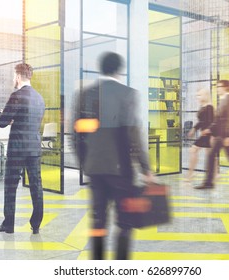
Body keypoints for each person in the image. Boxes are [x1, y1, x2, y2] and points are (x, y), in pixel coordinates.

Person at [74, 52, 154, 259]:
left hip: (95, 170)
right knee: (125, 222)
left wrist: (85, 162)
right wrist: (145, 168)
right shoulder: (127, 93)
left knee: (98, 222)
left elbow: (76, 135)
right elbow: (133, 134)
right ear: (119, 70)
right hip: (122, 171)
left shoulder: (84, 94)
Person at [0, 63, 45, 234]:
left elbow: (2, 122)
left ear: (17, 76)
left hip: (17, 148)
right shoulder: (39, 98)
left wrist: (8, 117)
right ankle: (36, 224)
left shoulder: (16, 95)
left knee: (10, 186)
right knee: (36, 185)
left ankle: (9, 224)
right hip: (34, 148)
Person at [185, 88, 215, 181]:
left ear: (205, 95)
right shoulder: (203, 106)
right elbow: (201, 121)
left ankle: (191, 174)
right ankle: (213, 174)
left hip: (207, 135)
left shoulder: (209, 107)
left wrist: (209, 133)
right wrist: (194, 129)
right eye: (197, 95)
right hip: (204, 134)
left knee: (194, 150)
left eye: (199, 95)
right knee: (209, 154)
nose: (197, 97)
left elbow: (211, 122)